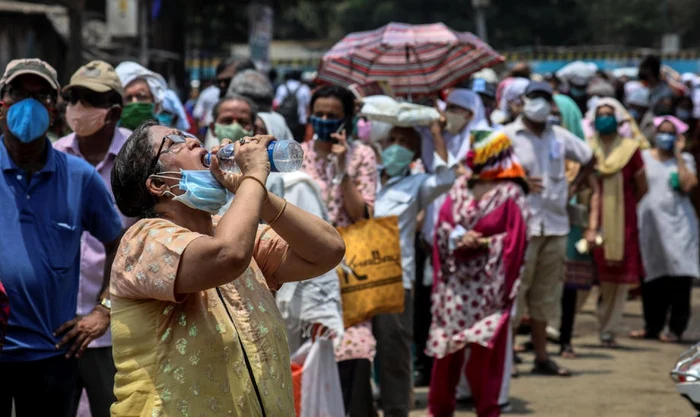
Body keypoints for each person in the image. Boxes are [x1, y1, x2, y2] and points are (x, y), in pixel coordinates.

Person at [108, 122, 346, 416]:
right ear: (158, 184)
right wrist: (254, 177)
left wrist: (252, 189)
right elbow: (228, 256)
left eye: (189, 135)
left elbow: (327, 250)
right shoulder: (143, 239)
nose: (193, 141)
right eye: (174, 142)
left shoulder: (231, 232)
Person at [0, 58, 123, 417]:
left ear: (54, 111)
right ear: (2, 102)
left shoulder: (79, 177)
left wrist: (105, 309)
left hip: (52, 356)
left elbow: (120, 246)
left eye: (41, 97)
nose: (28, 104)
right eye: (19, 92)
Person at [427, 131, 530, 417]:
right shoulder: (459, 187)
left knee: (486, 360)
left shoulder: (511, 193)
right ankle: (439, 410)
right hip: (455, 286)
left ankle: (488, 410)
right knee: (447, 355)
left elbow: (517, 241)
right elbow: (443, 228)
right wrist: (457, 239)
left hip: (489, 290)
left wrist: (484, 242)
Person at [53, 60, 133, 417]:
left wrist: (106, 308)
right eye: (74, 98)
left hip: (116, 328)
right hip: (57, 327)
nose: (79, 108)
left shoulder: (138, 156)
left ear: (113, 110)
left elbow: (141, 243)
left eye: (90, 99)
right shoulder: (52, 156)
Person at [505, 81, 593, 376]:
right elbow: (485, 169)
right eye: (535, 97)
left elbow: (590, 159)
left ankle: (542, 355)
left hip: (555, 225)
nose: (540, 103)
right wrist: (517, 181)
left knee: (545, 294)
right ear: (523, 101)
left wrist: (575, 185)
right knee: (515, 291)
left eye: (545, 98)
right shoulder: (507, 136)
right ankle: (508, 357)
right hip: (521, 226)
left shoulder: (560, 136)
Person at [300, 85, 378, 416]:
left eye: (333, 116)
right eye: (319, 114)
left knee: (356, 351)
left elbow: (362, 213)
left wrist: (343, 166)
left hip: (349, 269)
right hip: (302, 267)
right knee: (309, 347)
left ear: (348, 120)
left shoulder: (363, 156)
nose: (325, 121)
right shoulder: (296, 155)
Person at [373, 123, 457, 417]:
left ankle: (397, 410)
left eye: (404, 142)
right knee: (356, 352)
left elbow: (447, 178)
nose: (396, 146)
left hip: (397, 277)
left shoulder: (418, 182)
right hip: (355, 274)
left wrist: (435, 134)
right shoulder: (365, 175)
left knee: (394, 351)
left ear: (415, 151)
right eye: (392, 139)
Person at [586, 98, 648, 348]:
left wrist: (624, 206)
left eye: (609, 114)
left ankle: (609, 328)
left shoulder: (631, 149)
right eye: (600, 114)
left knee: (619, 277)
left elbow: (642, 186)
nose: (604, 118)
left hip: (624, 219)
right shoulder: (588, 148)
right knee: (593, 272)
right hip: (593, 217)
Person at [634, 116, 698, 343]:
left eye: (671, 133)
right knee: (652, 277)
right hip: (650, 225)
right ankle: (652, 326)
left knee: (679, 278)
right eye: (662, 131)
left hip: (679, 225)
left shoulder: (686, 159)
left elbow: (688, 184)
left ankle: (675, 328)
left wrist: (679, 155)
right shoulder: (643, 158)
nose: (666, 137)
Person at [552, 94, 600, 358]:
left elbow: (595, 192)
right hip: (544, 223)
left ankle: (565, 339)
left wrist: (592, 227)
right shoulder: (541, 145)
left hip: (572, 225)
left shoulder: (577, 150)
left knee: (569, 286)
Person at [114, 62, 168, 130]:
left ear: (155, 101)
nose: (135, 102)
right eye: (128, 98)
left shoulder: (170, 137)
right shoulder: (109, 138)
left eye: (141, 96)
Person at [275, 69, 311, 141]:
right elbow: (308, 106)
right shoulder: (305, 88)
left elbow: (277, 104)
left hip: (285, 120)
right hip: (300, 121)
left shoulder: (282, 88)